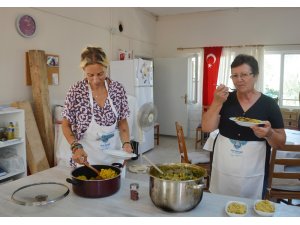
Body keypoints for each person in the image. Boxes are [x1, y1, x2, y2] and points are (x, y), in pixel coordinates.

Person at [202, 54, 286, 199]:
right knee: (219, 203)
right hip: (223, 166)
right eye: (234, 75)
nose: (238, 80)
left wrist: (269, 134)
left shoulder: (269, 104)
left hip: (253, 170)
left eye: (244, 75)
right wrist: (216, 102)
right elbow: (207, 127)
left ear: (255, 76)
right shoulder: (225, 99)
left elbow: (281, 142)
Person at [61, 46, 133, 167]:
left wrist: (126, 143)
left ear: (106, 67)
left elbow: (122, 122)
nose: (95, 80)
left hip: (114, 158)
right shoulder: (76, 91)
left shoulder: (117, 89)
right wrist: (75, 147)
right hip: (86, 159)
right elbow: (66, 125)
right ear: (84, 70)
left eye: (100, 74)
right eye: (90, 75)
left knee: (115, 185)